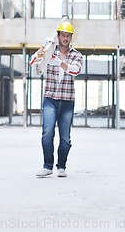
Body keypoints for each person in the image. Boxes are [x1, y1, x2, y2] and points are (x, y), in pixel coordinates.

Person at [33, 22, 83, 178]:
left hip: (67, 101)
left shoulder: (76, 55)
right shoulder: (49, 51)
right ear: (58, 35)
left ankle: (61, 166)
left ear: (71, 37)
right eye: (63, 35)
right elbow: (34, 61)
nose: (65, 38)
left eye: (68, 35)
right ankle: (47, 166)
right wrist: (42, 50)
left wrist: (60, 62)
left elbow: (75, 70)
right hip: (50, 98)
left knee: (65, 138)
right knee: (47, 132)